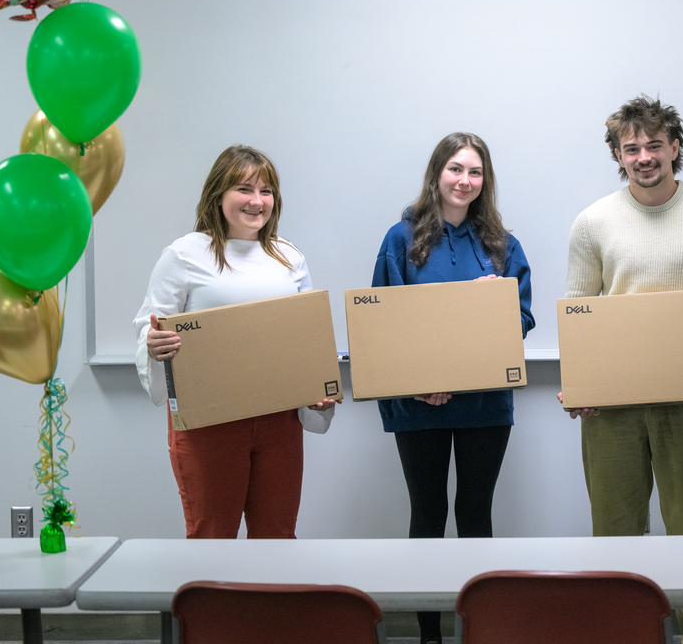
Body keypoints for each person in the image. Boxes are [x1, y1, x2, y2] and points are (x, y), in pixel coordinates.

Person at [560, 95, 683, 644]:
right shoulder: (593, 222)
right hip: (611, 408)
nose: (644, 157)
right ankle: (623, 633)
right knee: (615, 539)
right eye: (631, 148)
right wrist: (580, 386)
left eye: (654, 145)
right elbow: (578, 309)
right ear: (619, 155)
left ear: (675, 148)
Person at [372, 132, 534, 644]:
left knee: (475, 512)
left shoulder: (503, 245)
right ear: (437, 173)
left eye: (476, 172)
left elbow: (523, 317)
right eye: (456, 169)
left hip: (484, 403)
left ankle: (477, 631)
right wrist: (424, 380)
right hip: (417, 404)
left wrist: (493, 303)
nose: (465, 181)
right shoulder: (400, 239)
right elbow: (381, 322)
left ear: (486, 181)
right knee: (428, 512)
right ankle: (429, 635)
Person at [133, 145, 336, 539]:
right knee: (212, 537)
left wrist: (317, 389)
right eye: (245, 189)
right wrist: (153, 344)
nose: (257, 201)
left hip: (279, 423)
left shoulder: (288, 257)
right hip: (209, 423)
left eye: (266, 191)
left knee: (277, 536)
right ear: (218, 194)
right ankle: (212, 605)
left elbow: (306, 338)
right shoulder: (185, 254)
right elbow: (150, 325)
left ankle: (271, 605)